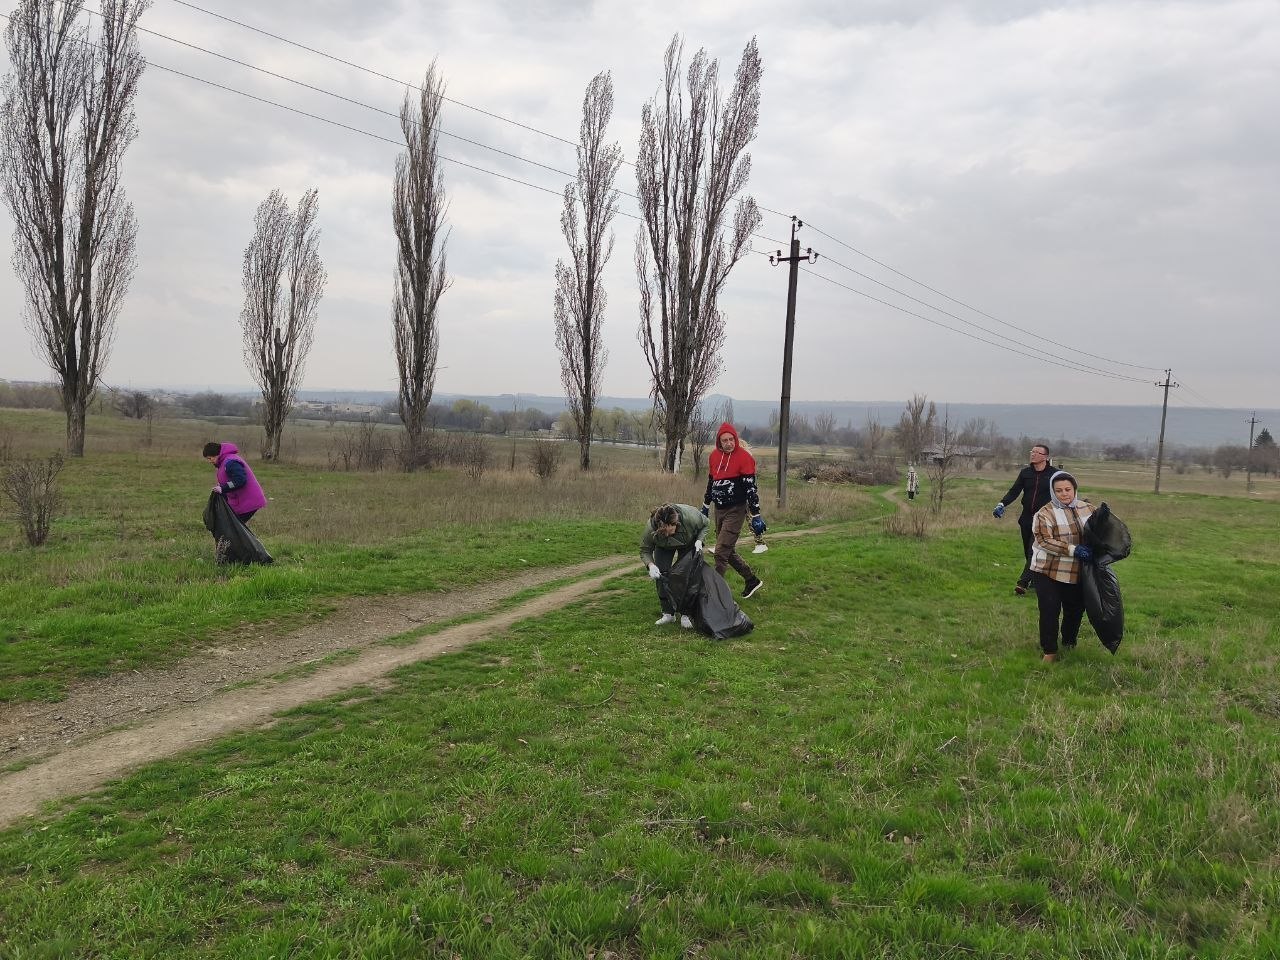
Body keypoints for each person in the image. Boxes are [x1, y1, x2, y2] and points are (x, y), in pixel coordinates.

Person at [1029, 470, 1100, 663]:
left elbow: (1102, 531)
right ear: (1053, 492)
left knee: (1075, 610)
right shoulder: (1044, 513)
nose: (1064, 494)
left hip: (1076, 571)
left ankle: (1069, 644)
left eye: (1068, 489)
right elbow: (1044, 541)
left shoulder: (1088, 508)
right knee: (1050, 610)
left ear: (1075, 489)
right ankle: (1049, 651)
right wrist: (1073, 550)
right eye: (1058, 490)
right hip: (1047, 570)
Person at [701, 422, 765, 599]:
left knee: (720, 552)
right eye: (725, 440)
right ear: (719, 442)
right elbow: (711, 483)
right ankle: (751, 580)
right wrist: (705, 505)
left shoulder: (744, 458)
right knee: (727, 550)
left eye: (731, 439)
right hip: (719, 509)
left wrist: (756, 515)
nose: (729, 443)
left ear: (736, 439)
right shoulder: (714, 457)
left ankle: (714, 595)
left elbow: (751, 489)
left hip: (736, 509)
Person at [993, 443, 1054, 595]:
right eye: (1032, 451)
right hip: (1026, 518)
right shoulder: (1025, 473)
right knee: (1028, 551)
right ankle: (1036, 579)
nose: (1033, 454)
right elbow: (1014, 491)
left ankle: (1023, 583)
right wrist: (1002, 504)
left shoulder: (1054, 475)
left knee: (1034, 549)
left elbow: (1063, 493)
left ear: (1045, 457)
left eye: (1037, 452)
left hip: (1043, 519)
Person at [640, 503, 707, 628]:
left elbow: (705, 523)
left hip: (688, 543)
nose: (668, 535)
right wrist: (651, 565)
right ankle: (668, 613)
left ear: (676, 523)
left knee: (686, 575)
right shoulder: (650, 528)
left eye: (670, 531)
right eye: (663, 532)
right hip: (663, 546)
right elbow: (645, 550)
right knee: (661, 574)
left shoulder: (690, 517)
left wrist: (699, 540)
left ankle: (686, 614)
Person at [203, 441, 267, 524]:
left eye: (210, 458)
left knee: (233, 526)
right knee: (233, 526)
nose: (209, 461)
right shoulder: (224, 462)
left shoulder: (231, 462)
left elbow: (239, 480)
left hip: (249, 501)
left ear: (217, 455)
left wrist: (223, 487)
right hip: (240, 501)